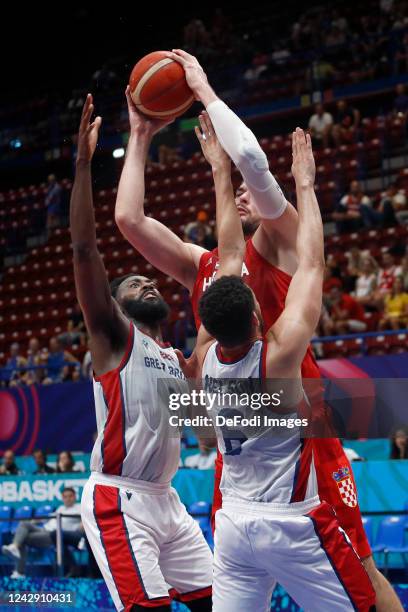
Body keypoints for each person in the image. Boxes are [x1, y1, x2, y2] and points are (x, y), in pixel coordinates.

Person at [115, 50, 403, 612]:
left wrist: (208, 107)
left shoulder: (278, 237)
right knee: (252, 580)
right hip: (245, 452)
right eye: (236, 189)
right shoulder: (212, 267)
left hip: (303, 430)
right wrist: (141, 135)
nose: (246, 191)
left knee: (360, 568)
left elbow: (251, 162)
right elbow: (129, 221)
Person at [192, 120, 375, 611]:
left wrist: (218, 175)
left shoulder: (203, 359)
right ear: (256, 314)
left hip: (231, 524)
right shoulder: (281, 355)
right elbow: (311, 262)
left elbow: (228, 254)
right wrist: (305, 185)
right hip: (290, 522)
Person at [71, 96, 212, 612]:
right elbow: (86, 251)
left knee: (223, 603)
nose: (146, 279)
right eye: (134, 280)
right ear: (119, 303)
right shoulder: (114, 338)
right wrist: (84, 166)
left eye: (150, 278)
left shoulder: (176, 361)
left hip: (168, 502)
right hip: (119, 498)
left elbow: (207, 431)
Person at [2, 487, 83, 578]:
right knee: (24, 524)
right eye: (65, 497)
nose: (68, 499)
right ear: (62, 498)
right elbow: (48, 518)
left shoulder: (80, 508)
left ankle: (19, 571)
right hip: (44, 529)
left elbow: (85, 522)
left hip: (55, 536)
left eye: (70, 496)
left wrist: (80, 527)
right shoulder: (61, 508)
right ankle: (15, 546)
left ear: (75, 496)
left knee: (22, 538)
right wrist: (35, 521)